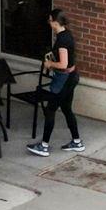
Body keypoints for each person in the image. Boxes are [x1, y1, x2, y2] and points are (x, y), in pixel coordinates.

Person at [27, 9, 83, 157]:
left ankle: (44, 146)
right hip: (72, 77)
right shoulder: (66, 34)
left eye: (50, 20)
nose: (49, 23)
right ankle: (76, 142)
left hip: (64, 80)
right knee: (66, 109)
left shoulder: (62, 41)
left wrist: (50, 64)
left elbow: (63, 64)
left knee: (50, 110)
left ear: (56, 23)